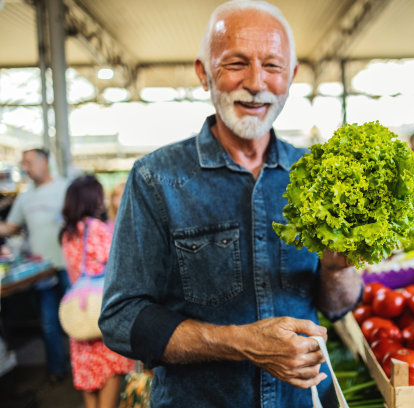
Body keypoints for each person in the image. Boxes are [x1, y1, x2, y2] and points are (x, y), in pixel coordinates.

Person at [99, 1, 363, 407]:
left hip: (305, 400)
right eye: (236, 63)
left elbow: (337, 307)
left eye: (273, 67)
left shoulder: (318, 174)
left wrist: (337, 270)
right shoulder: (156, 178)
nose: (256, 83)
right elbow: (121, 319)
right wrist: (242, 342)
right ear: (204, 73)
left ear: (291, 77)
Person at [59, 175, 134, 408]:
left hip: (80, 318)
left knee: (89, 382)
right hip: (101, 316)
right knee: (110, 378)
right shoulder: (96, 229)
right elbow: (119, 265)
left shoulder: (67, 234)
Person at [0, 148, 70, 382]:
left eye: (29, 163)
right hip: (41, 271)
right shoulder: (24, 198)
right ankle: (57, 370)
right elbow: (10, 227)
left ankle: (86, 368)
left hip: (70, 267)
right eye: (24, 164)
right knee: (49, 323)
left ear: (44, 162)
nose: (25, 168)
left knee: (78, 318)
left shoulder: (66, 188)